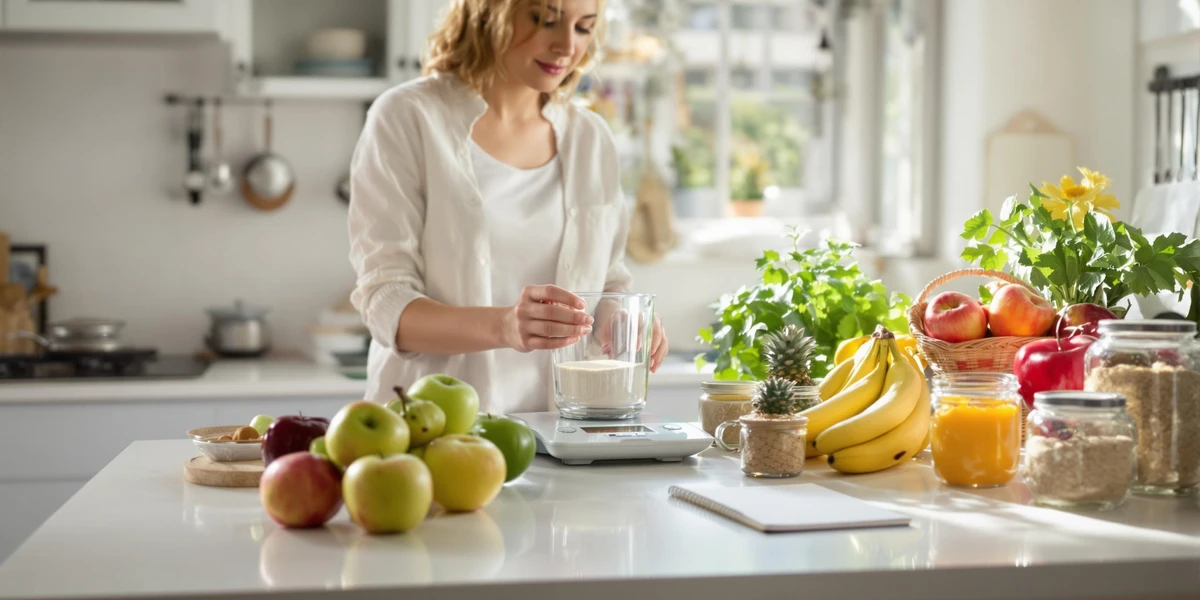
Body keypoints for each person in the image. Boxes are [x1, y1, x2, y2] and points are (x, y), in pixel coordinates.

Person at [347, 0, 669, 412]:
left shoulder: (591, 137)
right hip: (433, 432)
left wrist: (619, 316)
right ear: (488, 13)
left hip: (562, 434)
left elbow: (608, 281)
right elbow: (385, 302)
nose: (567, 46)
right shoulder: (407, 117)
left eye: (584, 27)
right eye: (544, 20)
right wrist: (505, 326)